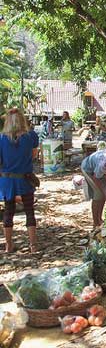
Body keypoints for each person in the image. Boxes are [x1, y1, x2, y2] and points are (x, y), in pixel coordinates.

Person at [0, 108, 40, 253]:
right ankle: (33, 245)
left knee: (8, 212)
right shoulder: (31, 136)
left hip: (7, 181)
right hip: (25, 179)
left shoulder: (1, 138)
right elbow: (34, 155)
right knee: (29, 211)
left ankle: (8, 245)